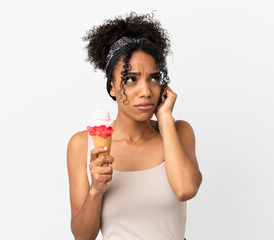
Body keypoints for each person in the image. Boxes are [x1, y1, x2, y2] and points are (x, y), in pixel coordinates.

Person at [67, 12, 202, 240]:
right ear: (111, 87)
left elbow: (185, 189)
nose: (146, 91)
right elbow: (83, 236)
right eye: (131, 79)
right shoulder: (82, 144)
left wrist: (165, 118)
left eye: (154, 78)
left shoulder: (179, 132)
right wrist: (96, 190)